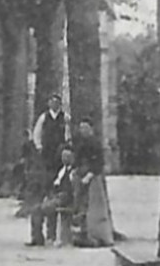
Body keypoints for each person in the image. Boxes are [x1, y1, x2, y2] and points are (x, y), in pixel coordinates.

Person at [71, 118, 114, 248]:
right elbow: (77, 160)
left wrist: (90, 174)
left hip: (93, 179)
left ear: (91, 129)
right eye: (81, 128)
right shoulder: (79, 143)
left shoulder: (95, 143)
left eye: (86, 128)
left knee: (95, 208)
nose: (83, 130)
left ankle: (98, 235)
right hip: (81, 175)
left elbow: (98, 162)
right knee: (81, 205)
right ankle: (83, 233)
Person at [43, 144, 76, 246]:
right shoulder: (61, 170)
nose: (64, 159)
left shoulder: (73, 171)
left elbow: (71, 188)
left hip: (67, 198)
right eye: (63, 157)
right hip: (57, 195)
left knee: (49, 206)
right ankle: (49, 235)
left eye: (67, 157)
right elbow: (55, 183)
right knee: (45, 206)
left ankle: (52, 236)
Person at [32, 93, 67, 182]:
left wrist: (66, 145)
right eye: (52, 102)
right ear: (49, 104)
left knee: (60, 169)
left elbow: (68, 132)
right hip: (47, 148)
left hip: (60, 148)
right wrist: (38, 145)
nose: (54, 104)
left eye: (57, 102)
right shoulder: (44, 117)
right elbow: (37, 132)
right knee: (47, 170)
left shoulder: (65, 117)